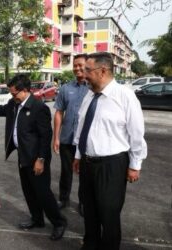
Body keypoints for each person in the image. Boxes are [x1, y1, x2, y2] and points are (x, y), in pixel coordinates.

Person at [0, 74, 67, 241]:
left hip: (36, 158)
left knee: (43, 193)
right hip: (23, 156)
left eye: (14, 93)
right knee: (29, 191)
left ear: (25, 90)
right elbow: (0, 110)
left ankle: (59, 222)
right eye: (11, 94)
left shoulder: (39, 108)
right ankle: (37, 219)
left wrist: (41, 159)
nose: (12, 96)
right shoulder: (13, 104)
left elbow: (46, 137)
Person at [72, 52, 147, 250]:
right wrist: (79, 155)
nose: (83, 74)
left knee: (109, 213)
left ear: (102, 71)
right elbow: (81, 127)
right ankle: (90, 244)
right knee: (89, 210)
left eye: (87, 70)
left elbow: (136, 134)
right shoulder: (89, 95)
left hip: (112, 165)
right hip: (88, 163)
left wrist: (135, 164)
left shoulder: (125, 96)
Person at [53, 54, 88, 214]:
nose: (77, 68)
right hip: (67, 138)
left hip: (86, 142)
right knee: (66, 172)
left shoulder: (93, 88)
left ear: (88, 65)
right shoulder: (66, 88)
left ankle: (83, 202)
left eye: (80, 65)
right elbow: (59, 113)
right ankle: (63, 199)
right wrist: (56, 137)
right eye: (75, 65)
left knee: (84, 174)